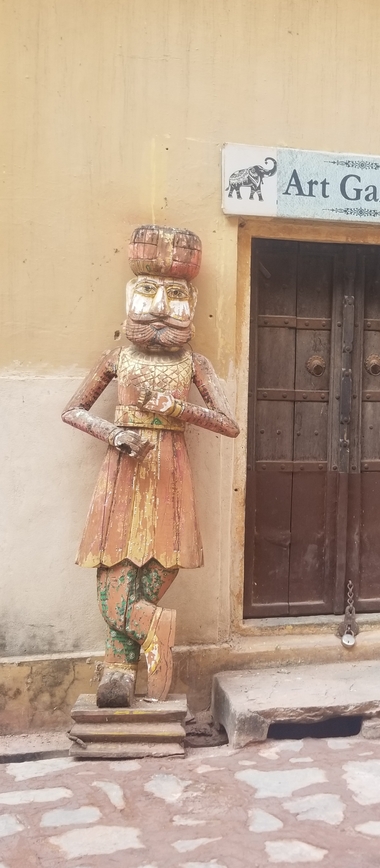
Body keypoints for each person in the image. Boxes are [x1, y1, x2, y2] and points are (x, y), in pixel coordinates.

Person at [62, 226, 239, 707]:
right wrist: (113, 432)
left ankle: (119, 672)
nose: (161, 304)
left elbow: (228, 424)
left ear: (192, 300)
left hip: (168, 472)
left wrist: (178, 410)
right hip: (122, 470)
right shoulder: (117, 357)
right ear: (130, 295)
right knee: (111, 582)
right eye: (148, 290)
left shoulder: (194, 364)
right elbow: (73, 409)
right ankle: (143, 642)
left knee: (153, 574)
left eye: (176, 293)